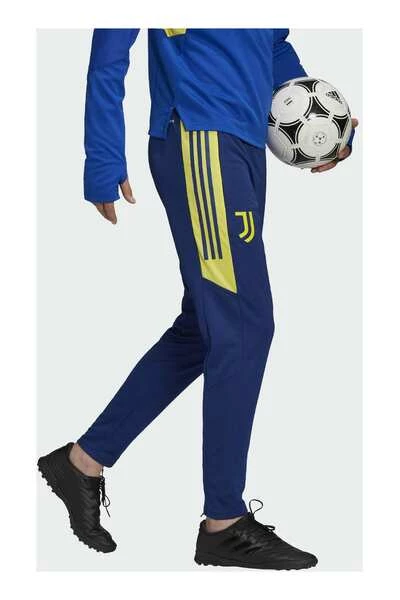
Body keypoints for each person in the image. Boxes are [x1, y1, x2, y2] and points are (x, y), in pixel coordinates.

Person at [38, 28, 357, 569]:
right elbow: (110, 47)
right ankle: (224, 523)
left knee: (206, 324)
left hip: (241, 142)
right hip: (200, 136)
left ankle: (82, 462)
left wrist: (319, 121)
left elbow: (271, 43)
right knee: (243, 327)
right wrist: (103, 155)